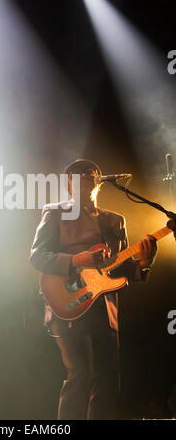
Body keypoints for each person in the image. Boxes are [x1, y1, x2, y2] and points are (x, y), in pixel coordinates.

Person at [30, 159, 157, 420]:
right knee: (80, 374)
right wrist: (77, 260)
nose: (86, 177)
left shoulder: (115, 220)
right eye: (78, 175)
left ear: (98, 181)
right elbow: (37, 256)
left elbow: (119, 267)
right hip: (67, 299)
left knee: (108, 378)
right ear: (69, 183)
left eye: (91, 174)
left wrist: (144, 263)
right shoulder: (55, 212)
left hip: (104, 305)